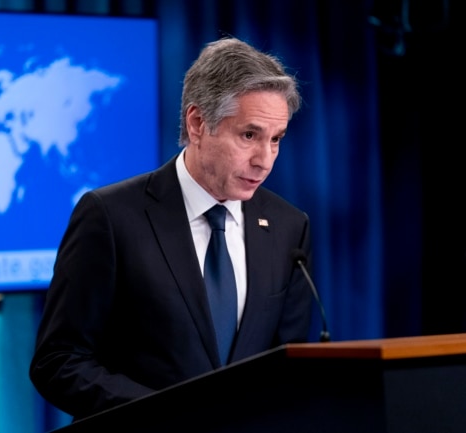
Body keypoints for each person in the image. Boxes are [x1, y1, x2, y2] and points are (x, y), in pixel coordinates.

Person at [29, 36, 313, 421]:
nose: (265, 160)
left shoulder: (287, 227)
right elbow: (58, 361)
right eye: (249, 135)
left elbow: (288, 367)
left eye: (275, 139)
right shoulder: (110, 217)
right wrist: (164, 416)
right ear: (198, 123)